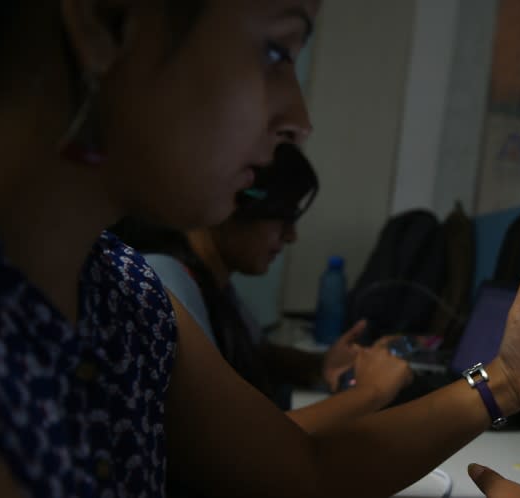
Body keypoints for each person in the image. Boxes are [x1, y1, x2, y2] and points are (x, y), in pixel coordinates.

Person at [0, 2, 520, 497]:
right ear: (106, 19)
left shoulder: (123, 293)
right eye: (275, 49)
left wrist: (507, 383)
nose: (298, 119)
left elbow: (302, 469)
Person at [111, 142, 413, 435]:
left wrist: (323, 364)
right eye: (284, 217)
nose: (291, 236)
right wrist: (373, 392)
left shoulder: (213, 283)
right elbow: (232, 442)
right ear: (234, 201)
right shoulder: (165, 278)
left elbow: (259, 355)